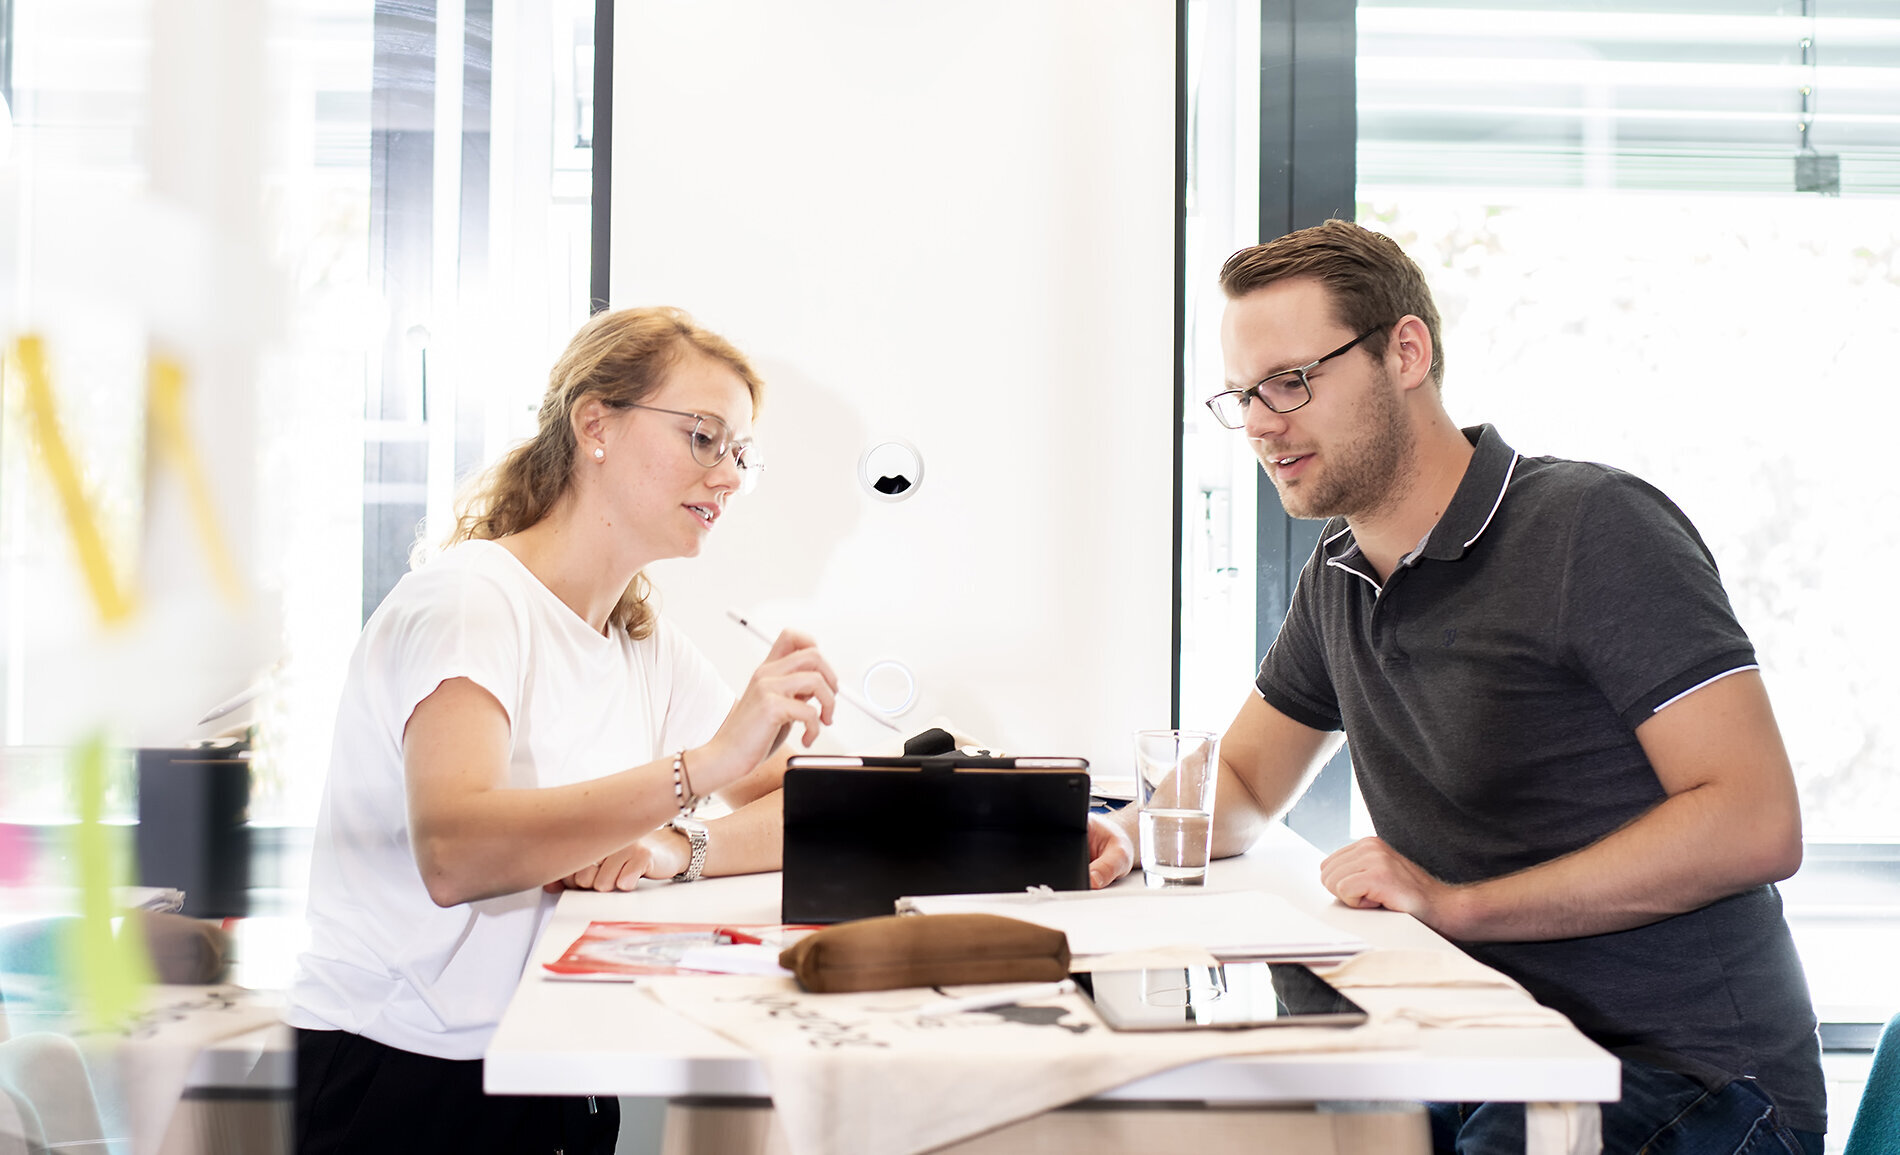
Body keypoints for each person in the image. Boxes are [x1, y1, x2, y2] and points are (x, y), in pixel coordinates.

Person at [1086, 221, 1826, 1154]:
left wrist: (1457, 902)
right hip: (1485, 1050)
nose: (1264, 422)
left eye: (1291, 381)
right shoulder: (1343, 571)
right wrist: (1119, 834)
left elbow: (1756, 822)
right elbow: (1236, 787)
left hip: (1692, 1079)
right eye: (1244, 395)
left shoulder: (1591, 529)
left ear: (1406, 351)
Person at [286, 306, 839, 1155]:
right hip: (406, 1076)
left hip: (551, 1065)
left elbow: (807, 813)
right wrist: (701, 769)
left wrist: (672, 848)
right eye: (703, 437)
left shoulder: (638, 639)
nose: (727, 475)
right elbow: (455, 853)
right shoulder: (471, 602)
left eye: (738, 452)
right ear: (596, 425)